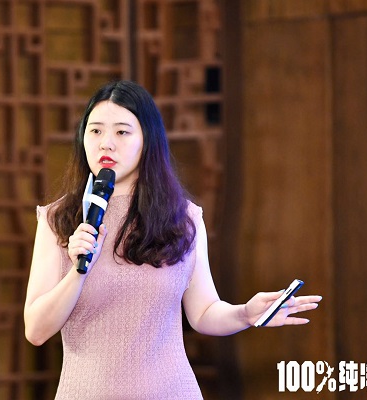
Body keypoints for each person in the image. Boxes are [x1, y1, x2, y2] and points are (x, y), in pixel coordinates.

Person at [24, 80, 322, 399]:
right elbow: (36, 331)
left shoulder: (182, 218)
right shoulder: (58, 219)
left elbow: (204, 312)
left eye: (122, 132)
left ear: (148, 141)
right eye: (95, 131)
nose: (106, 144)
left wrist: (245, 314)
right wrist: (78, 271)